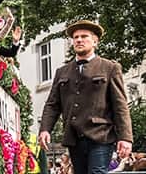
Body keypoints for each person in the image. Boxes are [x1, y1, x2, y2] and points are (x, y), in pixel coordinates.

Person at [39, 21, 133, 174]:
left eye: (84, 36)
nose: (79, 40)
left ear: (95, 41)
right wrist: (45, 129)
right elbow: (52, 105)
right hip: (74, 137)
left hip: (101, 136)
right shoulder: (62, 72)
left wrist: (126, 138)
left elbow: (120, 105)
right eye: (75, 37)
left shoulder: (110, 68)